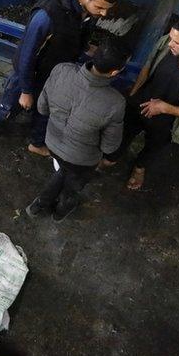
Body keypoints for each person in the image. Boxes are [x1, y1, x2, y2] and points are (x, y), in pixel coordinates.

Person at [0, 0, 119, 156]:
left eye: (107, 9)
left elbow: (78, 31)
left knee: (46, 110)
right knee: (8, 107)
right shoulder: (47, 16)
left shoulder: (88, 10)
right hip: (32, 73)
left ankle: (36, 143)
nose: (103, 14)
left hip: (56, 71)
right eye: (100, 8)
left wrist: (84, 48)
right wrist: (26, 90)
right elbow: (27, 55)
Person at [104, 15, 179, 190]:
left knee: (153, 147)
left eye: (176, 42)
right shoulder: (167, 42)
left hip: (167, 121)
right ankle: (111, 158)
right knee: (122, 135)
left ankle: (139, 168)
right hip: (140, 103)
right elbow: (148, 65)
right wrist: (134, 93)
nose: (169, 44)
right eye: (171, 38)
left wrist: (165, 108)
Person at [27, 38, 128, 221]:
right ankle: (60, 211)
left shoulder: (61, 70)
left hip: (52, 143)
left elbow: (42, 108)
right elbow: (109, 147)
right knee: (73, 184)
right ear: (115, 72)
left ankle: (39, 206)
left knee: (63, 170)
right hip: (82, 160)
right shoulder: (115, 102)